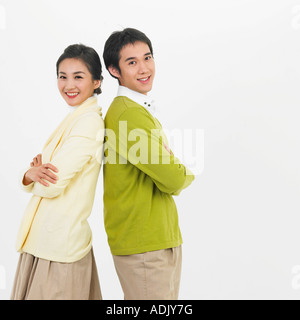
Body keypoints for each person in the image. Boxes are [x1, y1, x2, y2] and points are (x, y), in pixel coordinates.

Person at [103, 28, 195, 300]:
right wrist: (184, 172)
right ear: (113, 70)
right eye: (132, 62)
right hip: (144, 246)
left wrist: (171, 166)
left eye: (147, 58)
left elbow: (166, 173)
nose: (144, 68)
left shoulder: (137, 110)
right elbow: (174, 179)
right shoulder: (128, 114)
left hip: (157, 238)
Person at [11, 44, 105, 300]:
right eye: (62, 76)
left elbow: (51, 182)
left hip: (59, 247)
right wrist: (31, 174)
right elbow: (43, 172)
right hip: (48, 242)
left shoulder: (88, 122)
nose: (68, 85)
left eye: (78, 76)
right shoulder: (76, 118)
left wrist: (31, 175)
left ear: (96, 81)